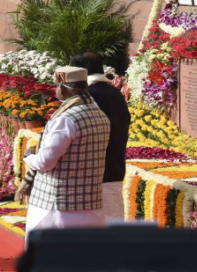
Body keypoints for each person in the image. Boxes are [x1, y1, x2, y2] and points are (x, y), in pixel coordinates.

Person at [16, 66, 111, 242]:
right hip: (91, 206)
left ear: (63, 88)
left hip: (58, 207)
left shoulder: (66, 119)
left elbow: (45, 162)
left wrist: (29, 157)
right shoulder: (100, 114)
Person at [69, 53, 129, 221]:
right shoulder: (115, 93)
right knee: (113, 221)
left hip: (93, 171)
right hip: (115, 167)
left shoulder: (89, 96)